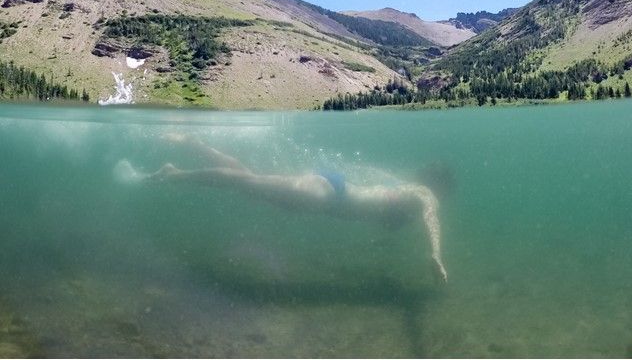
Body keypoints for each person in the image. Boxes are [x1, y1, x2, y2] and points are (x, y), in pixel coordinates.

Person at [115, 134, 448, 282]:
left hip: (325, 192)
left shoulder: (403, 188)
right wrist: (436, 255)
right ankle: (174, 174)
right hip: (323, 195)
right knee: (245, 183)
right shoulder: (422, 194)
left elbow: (373, 199)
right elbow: (431, 217)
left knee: (248, 180)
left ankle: (194, 144)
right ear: (438, 186)